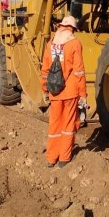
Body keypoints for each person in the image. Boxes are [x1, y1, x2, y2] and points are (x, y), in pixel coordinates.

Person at [40, 15, 87, 168]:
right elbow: (79, 71)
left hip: (55, 92)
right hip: (71, 92)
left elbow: (45, 70)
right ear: (73, 28)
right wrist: (83, 94)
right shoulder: (75, 44)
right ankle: (64, 158)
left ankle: (51, 158)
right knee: (68, 125)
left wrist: (45, 89)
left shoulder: (50, 44)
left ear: (60, 26)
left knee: (54, 125)